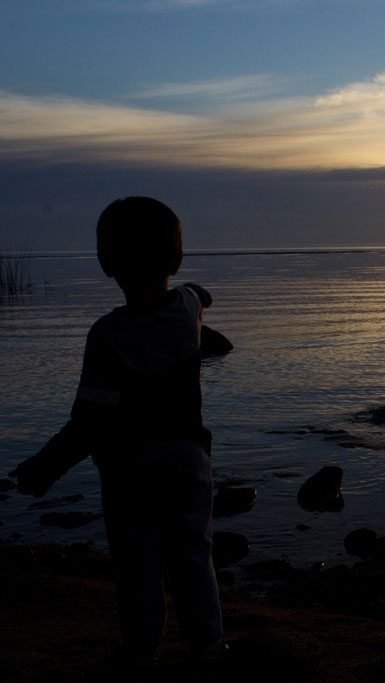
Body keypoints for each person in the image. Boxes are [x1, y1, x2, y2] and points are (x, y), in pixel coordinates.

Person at [9, 196, 225, 669]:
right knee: (194, 556)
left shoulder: (107, 335)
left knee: (137, 565)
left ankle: (141, 649)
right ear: (177, 258)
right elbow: (197, 293)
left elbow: (90, 420)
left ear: (106, 263)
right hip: (190, 461)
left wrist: (43, 468)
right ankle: (208, 647)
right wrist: (198, 291)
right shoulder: (188, 309)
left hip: (132, 470)